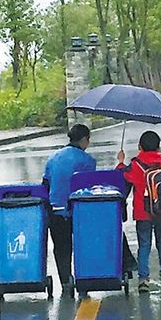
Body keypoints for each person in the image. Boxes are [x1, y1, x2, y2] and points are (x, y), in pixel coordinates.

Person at [43, 124, 96, 294]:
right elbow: (89, 188)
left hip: (55, 210)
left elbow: (45, 184)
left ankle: (65, 281)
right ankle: (83, 277)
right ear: (84, 140)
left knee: (61, 247)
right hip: (77, 210)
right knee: (82, 243)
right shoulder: (87, 161)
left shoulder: (53, 158)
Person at [116, 130, 161, 294]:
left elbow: (122, 175)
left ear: (140, 147)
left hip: (143, 213)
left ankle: (143, 279)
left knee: (144, 246)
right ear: (158, 147)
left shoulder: (136, 164)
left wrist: (120, 161)